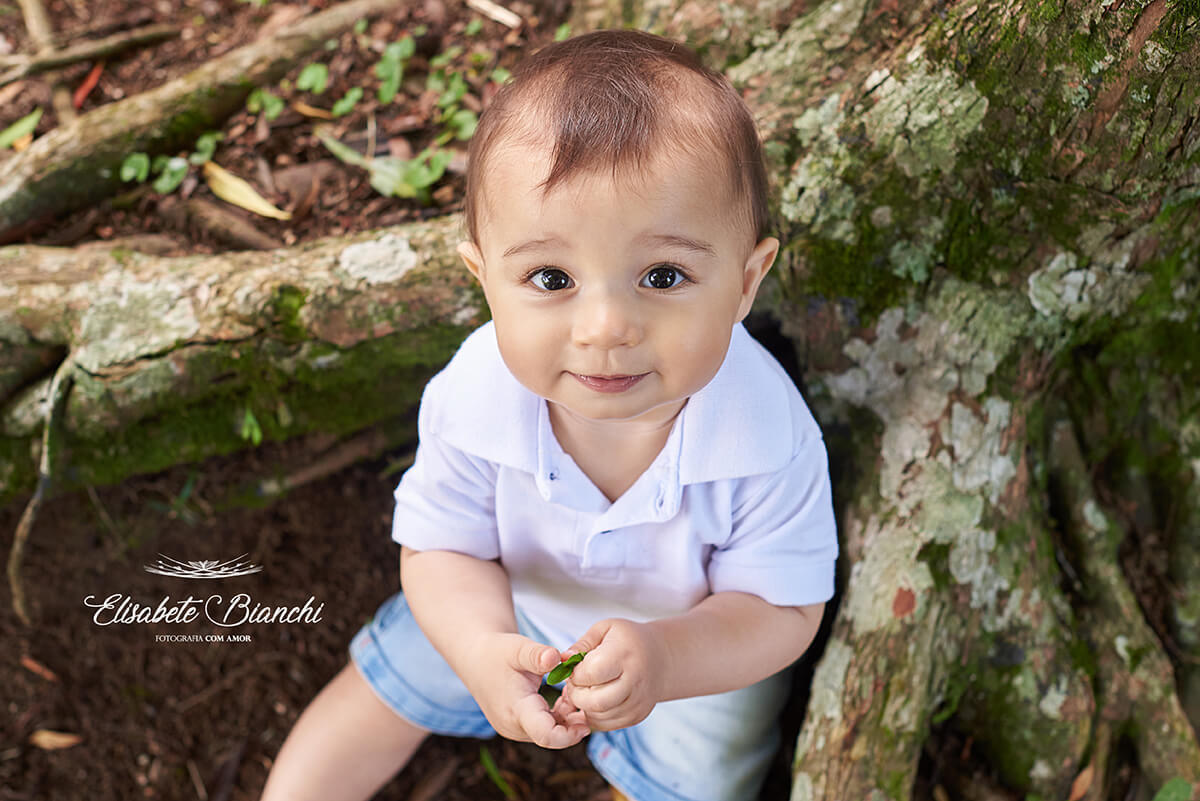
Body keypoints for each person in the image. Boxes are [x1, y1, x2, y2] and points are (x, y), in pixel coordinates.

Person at [259, 28, 838, 801]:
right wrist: (478, 646)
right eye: (551, 276)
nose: (605, 327)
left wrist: (665, 660)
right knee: (384, 681)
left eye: (662, 275)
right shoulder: (476, 398)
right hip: (510, 610)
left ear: (745, 280)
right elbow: (441, 551)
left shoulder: (767, 436)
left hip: (696, 657)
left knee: (705, 771)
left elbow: (779, 607)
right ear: (484, 279)